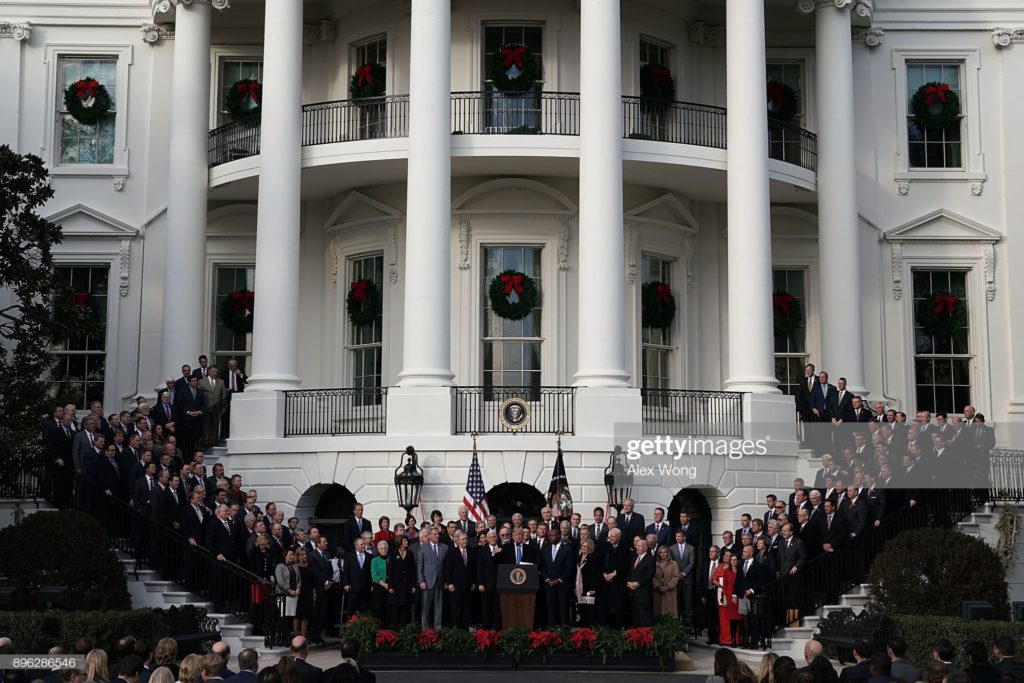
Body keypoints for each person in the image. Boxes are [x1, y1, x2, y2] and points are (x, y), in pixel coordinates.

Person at [416, 525, 447, 629]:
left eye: (438, 534)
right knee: (426, 608)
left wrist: (446, 581)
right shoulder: (423, 548)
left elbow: (446, 566)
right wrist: (421, 581)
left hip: (440, 581)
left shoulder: (444, 547)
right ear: (429, 536)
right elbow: (420, 565)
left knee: (439, 607)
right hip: (427, 581)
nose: (437, 535)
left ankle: (438, 629)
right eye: (435, 534)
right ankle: (425, 630)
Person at [387, 533, 417, 626]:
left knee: (405, 607)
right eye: (404, 541)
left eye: (407, 541)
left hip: (407, 585)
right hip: (396, 585)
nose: (406, 542)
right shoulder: (393, 553)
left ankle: (404, 628)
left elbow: (413, 570)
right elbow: (390, 570)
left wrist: (413, 585)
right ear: (399, 542)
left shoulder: (410, 553)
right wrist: (391, 586)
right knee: (396, 607)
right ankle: (395, 627)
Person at [627, 538, 656, 627]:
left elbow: (649, 575)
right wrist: (628, 582)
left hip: (643, 593)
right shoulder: (635, 557)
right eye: (637, 546)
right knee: (635, 617)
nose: (637, 548)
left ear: (645, 548)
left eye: (639, 546)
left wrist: (637, 583)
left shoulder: (650, 559)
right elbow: (630, 572)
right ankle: (636, 636)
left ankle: (646, 637)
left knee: (644, 617)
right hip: (633, 592)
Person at [575, 538, 600, 626]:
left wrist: (592, 589)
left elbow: (594, 575)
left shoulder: (592, 558)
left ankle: (588, 627)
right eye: (582, 546)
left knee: (589, 608)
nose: (583, 548)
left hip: (589, 587)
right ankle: (582, 624)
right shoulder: (579, 557)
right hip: (580, 587)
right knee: (581, 607)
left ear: (590, 547)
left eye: (586, 546)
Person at [653, 544, 680, 617]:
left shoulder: (674, 564)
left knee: (670, 612)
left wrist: (667, 587)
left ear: (668, 553)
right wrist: (658, 586)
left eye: (664, 552)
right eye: (661, 552)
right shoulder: (655, 564)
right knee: (658, 612)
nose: (662, 554)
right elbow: (652, 577)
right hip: (658, 592)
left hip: (669, 592)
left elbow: (676, 577)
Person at [370, 540, 390, 625]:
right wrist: (385, 585)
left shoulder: (391, 558)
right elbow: (374, 575)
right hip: (379, 586)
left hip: (390, 587)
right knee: (379, 608)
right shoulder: (374, 560)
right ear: (378, 550)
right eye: (381, 548)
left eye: (385, 548)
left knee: (389, 608)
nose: (383, 550)